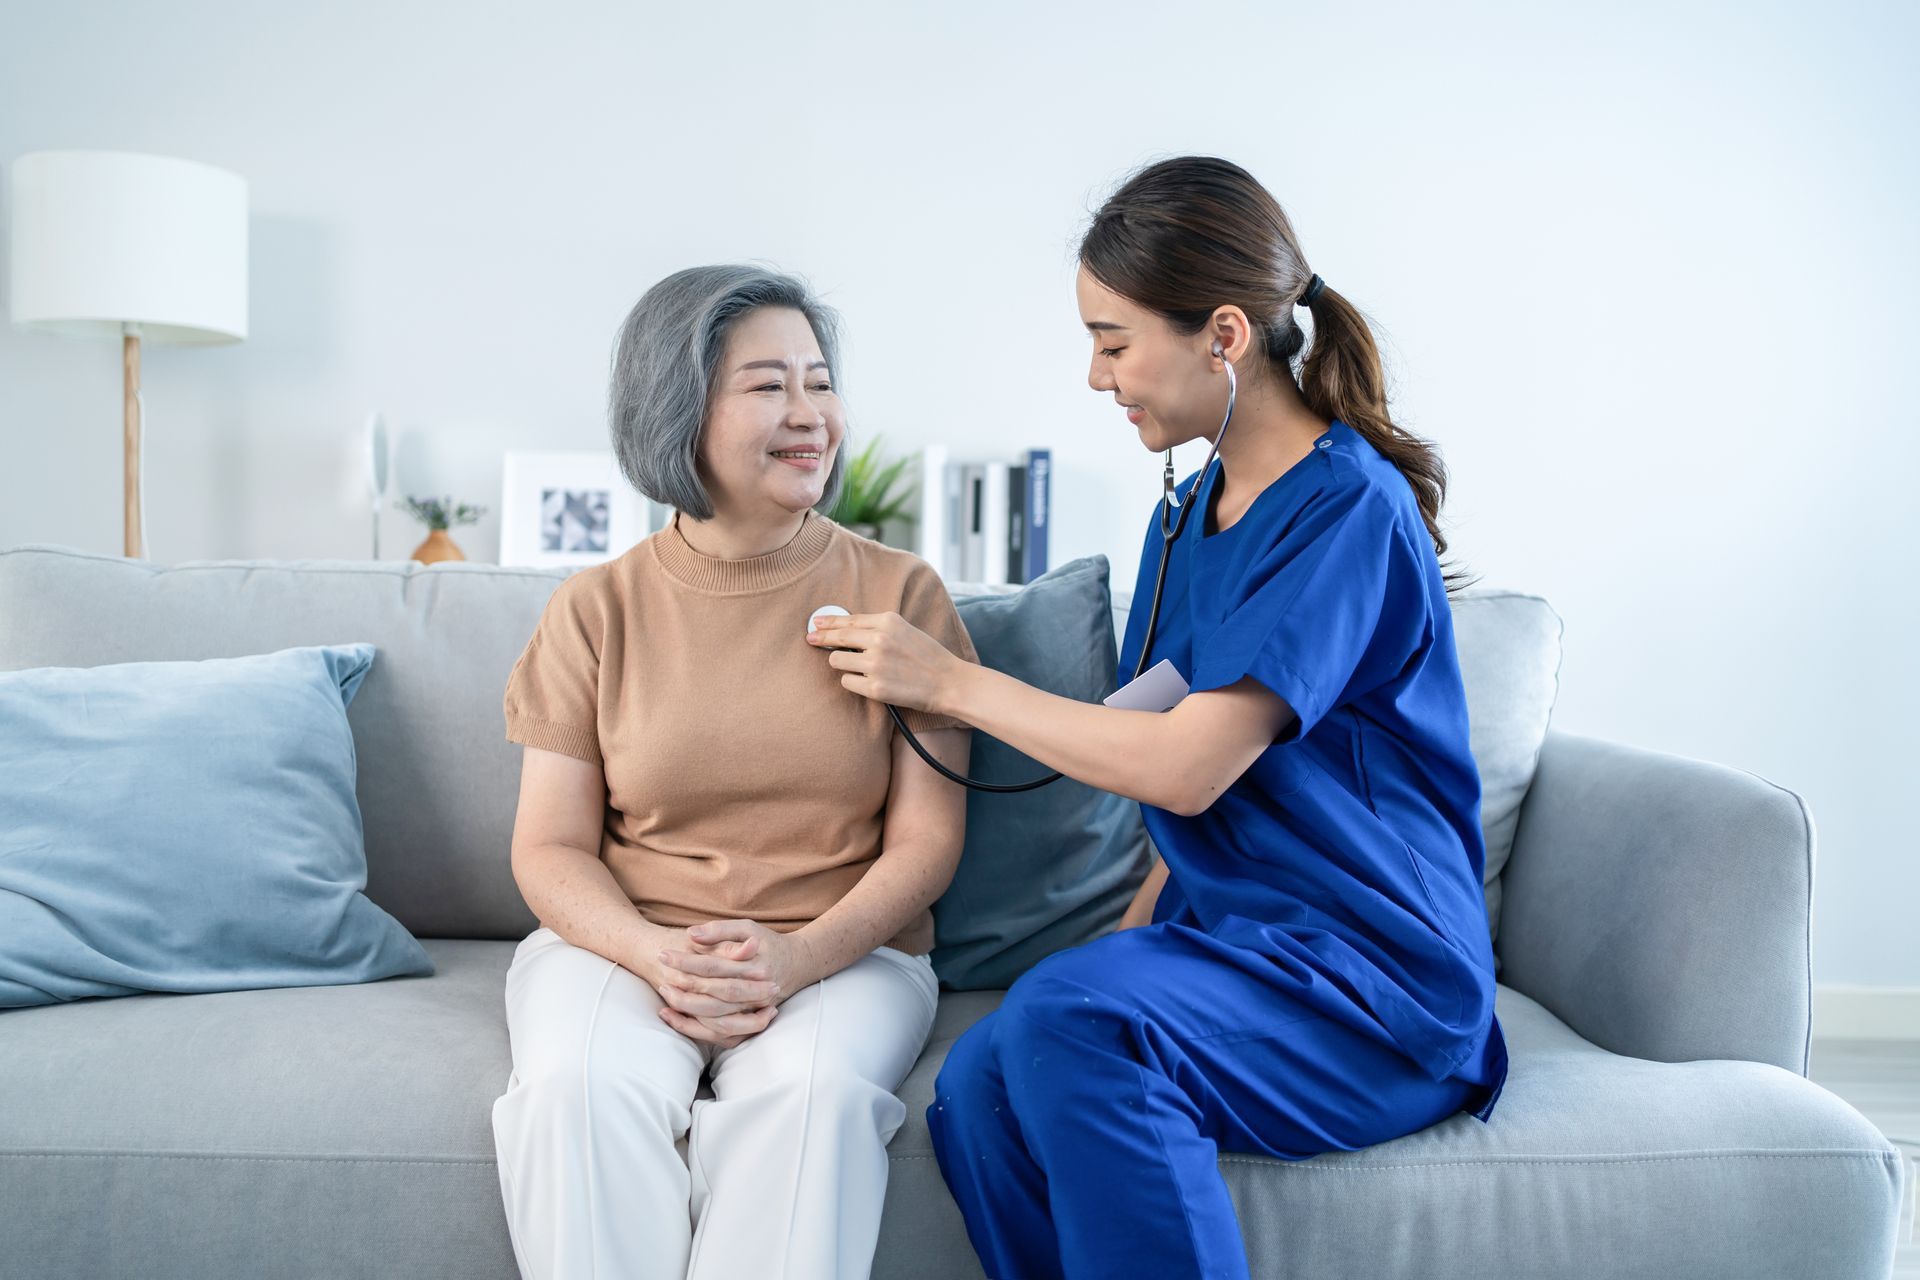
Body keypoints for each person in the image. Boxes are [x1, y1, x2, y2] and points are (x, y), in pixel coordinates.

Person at [806, 155, 1508, 1279]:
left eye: (1113, 339)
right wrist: (1139, 926)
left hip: (1379, 985)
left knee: (1075, 1020)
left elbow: (1187, 766)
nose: (1095, 374)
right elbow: (1161, 757)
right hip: (1244, 948)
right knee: (980, 1084)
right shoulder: (1189, 513)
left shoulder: (1348, 510)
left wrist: (950, 681)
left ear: (1223, 334)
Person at [490, 264, 978, 1280]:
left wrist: (796, 958)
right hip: (625, 944)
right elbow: (548, 845)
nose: (811, 414)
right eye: (768, 385)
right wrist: (653, 953)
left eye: (819, 380)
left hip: (846, 952)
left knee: (810, 1099)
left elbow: (927, 843)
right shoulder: (596, 608)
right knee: (578, 1086)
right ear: (681, 410)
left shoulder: (902, 594)